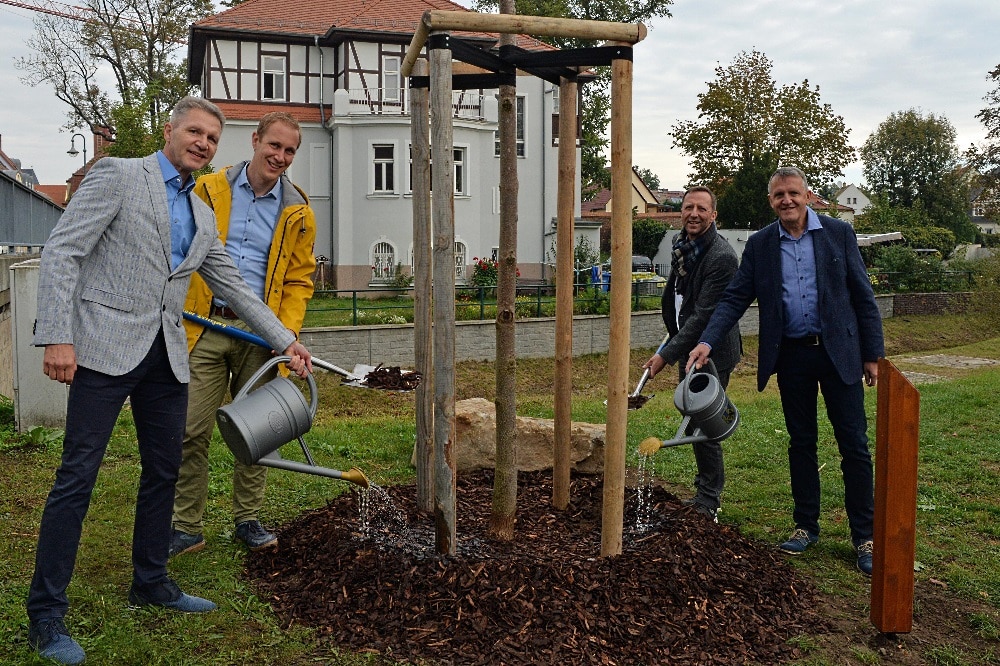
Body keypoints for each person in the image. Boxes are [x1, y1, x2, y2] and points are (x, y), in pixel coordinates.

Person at [26, 96, 313, 666]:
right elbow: (63, 250)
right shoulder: (119, 175)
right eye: (196, 132)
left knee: (165, 469)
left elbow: (234, 287)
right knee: (77, 477)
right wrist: (57, 335)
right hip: (103, 349)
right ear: (171, 130)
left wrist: (285, 340)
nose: (203, 143)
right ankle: (46, 614)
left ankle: (151, 581)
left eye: (212, 138)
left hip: (166, 357)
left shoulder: (204, 214)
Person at [687, 166, 884, 576]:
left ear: (808, 196)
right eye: (779, 196)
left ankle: (864, 536)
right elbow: (735, 297)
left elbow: (864, 296)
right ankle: (806, 525)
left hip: (839, 353)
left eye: (794, 193)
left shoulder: (838, 234)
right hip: (792, 357)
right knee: (801, 442)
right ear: (771, 201)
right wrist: (706, 341)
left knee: (854, 445)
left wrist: (872, 354)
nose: (787, 201)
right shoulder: (760, 245)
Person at [170, 112, 316, 557]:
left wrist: (284, 332)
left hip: (262, 336)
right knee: (191, 429)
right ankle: (185, 526)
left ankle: (248, 518)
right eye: (274, 146)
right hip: (204, 325)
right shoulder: (208, 190)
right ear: (255, 140)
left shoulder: (298, 211)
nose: (281, 157)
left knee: (258, 430)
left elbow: (299, 280)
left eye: (290, 151)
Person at [641, 186, 741, 522]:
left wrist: (666, 356)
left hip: (713, 351)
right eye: (688, 207)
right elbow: (682, 304)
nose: (693, 214)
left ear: (714, 215)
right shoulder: (682, 246)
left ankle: (709, 499)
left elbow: (704, 315)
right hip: (688, 345)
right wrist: (671, 343)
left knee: (705, 422)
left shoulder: (722, 257)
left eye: (701, 209)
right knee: (695, 417)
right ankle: (704, 488)